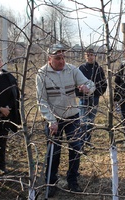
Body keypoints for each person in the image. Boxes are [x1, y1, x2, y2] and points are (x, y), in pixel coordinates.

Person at [36, 44, 95, 197]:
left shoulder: (72, 69)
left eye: (63, 57)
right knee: (53, 152)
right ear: (50, 59)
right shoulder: (42, 74)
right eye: (57, 58)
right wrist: (51, 120)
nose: (61, 61)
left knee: (76, 147)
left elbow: (90, 84)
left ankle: (73, 180)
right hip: (54, 119)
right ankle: (51, 182)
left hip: (72, 117)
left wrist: (86, 88)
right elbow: (42, 101)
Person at [75, 48, 107, 148]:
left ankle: (88, 141)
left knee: (90, 121)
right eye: (88, 55)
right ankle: (81, 143)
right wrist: (80, 92)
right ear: (85, 56)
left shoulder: (99, 68)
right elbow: (75, 83)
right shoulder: (81, 69)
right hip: (83, 98)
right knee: (83, 121)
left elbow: (103, 84)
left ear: (95, 56)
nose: (90, 57)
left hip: (95, 99)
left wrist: (97, 93)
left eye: (91, 55)